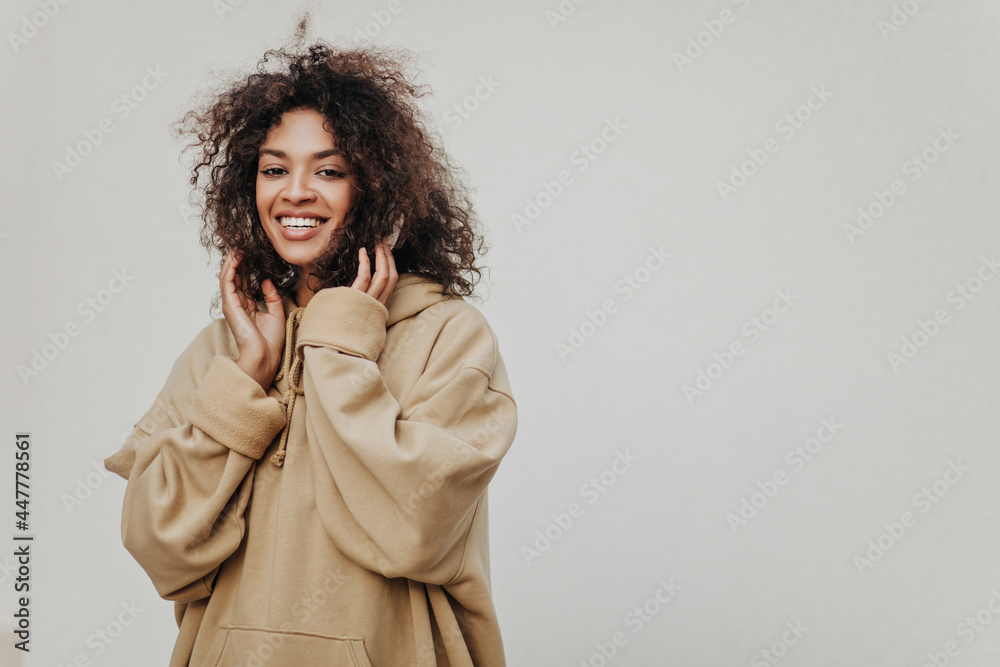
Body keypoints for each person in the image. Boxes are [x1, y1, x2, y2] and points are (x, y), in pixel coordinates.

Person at [102, 27, 518, 667]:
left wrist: (340, 346)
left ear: (375, 186)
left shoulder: (448, 334)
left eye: (329, 170)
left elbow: (417, 529)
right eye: (275, 169)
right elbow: (160, 545)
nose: (295, 192)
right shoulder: (227, 345)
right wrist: (244, 383)